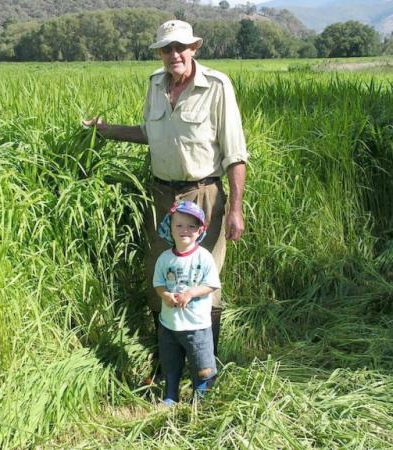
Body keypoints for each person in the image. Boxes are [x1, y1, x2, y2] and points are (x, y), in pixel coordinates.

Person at [83, 19, 248, 372]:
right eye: (166, 48)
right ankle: (166, 362)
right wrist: (106, 131)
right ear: (159, 53)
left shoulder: (217, 86)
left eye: (180, 47)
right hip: (161, 196)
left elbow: (235, 153)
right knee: (162, 274)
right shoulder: (156, 84)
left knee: (205, 280)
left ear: (194, 48)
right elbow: (151, 133)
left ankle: (204, 365)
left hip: (203, 195)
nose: (174, 54)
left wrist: (235, 208)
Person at [153, 200, 220, 405]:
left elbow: (211, 284)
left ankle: (200, 397)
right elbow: (159, 284)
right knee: (170, 363)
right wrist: (166, 296)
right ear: (170, 228)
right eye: (179, 225)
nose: (185, 230)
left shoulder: (204, 257)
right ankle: (171, 395)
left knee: (201, 364)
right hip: (170, 324)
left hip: (197, 326)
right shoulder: (165, 258)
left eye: (192, 226)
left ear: (200, 230)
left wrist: (190, 293)